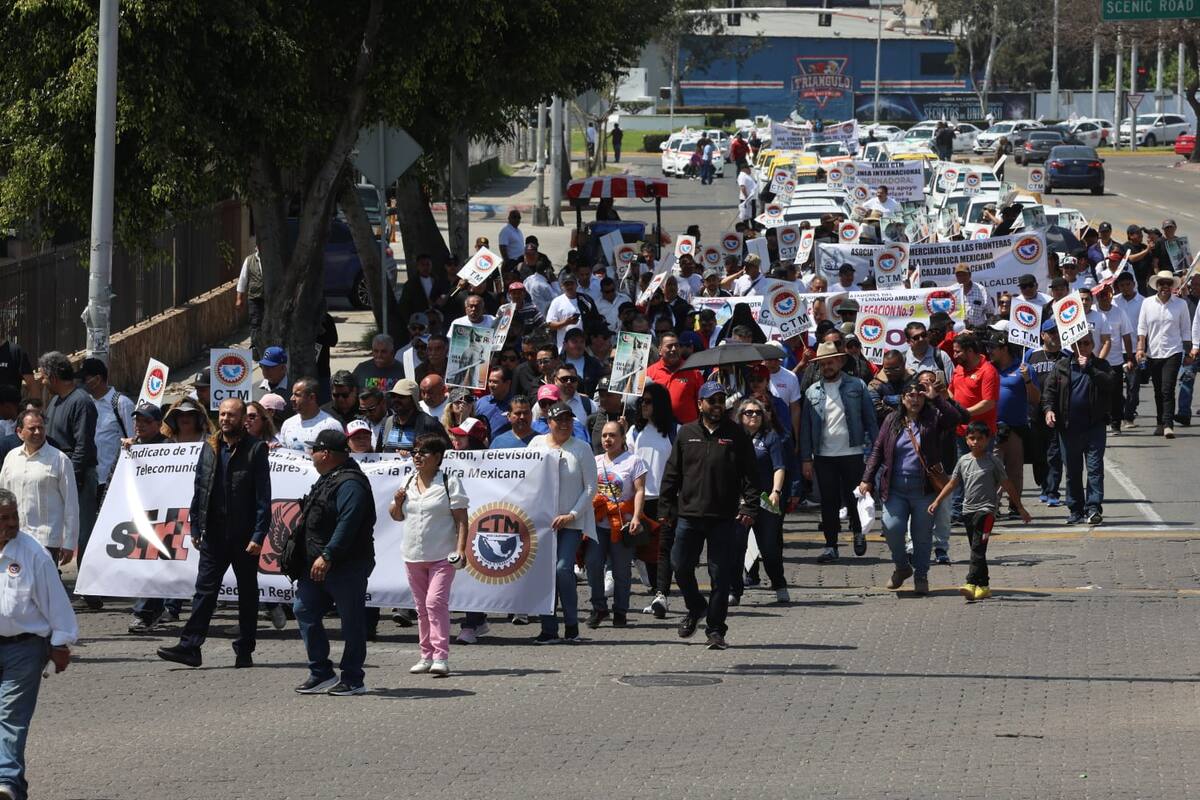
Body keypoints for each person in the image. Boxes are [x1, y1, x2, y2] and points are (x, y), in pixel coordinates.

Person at [156, 399, 271, 669]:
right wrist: (195, 525)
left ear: (243, 419)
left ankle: (244, 649)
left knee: (247, 593)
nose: (226, 419)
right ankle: (190, 647)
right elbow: (200, 488)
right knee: (204, 591)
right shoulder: (209, 447)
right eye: (223, 414)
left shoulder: (256, 450)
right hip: (214, 535)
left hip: (244, 537)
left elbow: (263, 497)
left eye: (232, 415)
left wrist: (258, 535)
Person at [659, 382, 758, 650]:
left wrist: (749, 507)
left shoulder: (736, 435)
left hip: (723, 517)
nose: (716, 405)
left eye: (720, 400)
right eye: (711, 400)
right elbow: (672, 473)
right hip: (688, 515)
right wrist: (666, 509)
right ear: (700, 404)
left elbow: (750, 475)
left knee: (720, 575)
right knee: (680, 566)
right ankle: (696, 607)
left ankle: (716, 630)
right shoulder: (686, 434)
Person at [0, 488, 78, 800]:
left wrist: (60, 645)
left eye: (12, 517)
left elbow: (56, 603)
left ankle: (8, 784)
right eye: (2, 518)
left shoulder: (33, 553)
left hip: (25, 648)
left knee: (11, 717)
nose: (9, 524)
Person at [291, 429, 377, 695]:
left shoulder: (350, 483)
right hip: (315, 565)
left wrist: (328, 555)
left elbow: (348, 524)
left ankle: (353, 678)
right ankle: (321, 673)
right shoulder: (328, 478)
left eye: (313, 450)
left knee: (351, 621)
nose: (311, 455)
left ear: (325, 453)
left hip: (345, 565)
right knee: (303, 609)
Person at [860, 380, 961, 595]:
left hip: (924, 489)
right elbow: (878, 449)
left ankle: (921, 575)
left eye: (919, 395)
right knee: (891, 527)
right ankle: (902, 566)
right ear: (902, 399)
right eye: (910, 395)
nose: (915, 399)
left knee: (922, 535)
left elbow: (956, 419)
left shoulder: (933, 419)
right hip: (895, 488)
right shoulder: (891, 419)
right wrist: (867, 478)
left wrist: (937, 398)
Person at [389, 433, 468, 677]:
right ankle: (425, 656)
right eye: (415, 452)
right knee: (421, 607)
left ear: (437, 457)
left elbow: (462, 519)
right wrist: (396, 502)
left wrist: (461, 549)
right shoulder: (408, 480)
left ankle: (441, 656)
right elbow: (397, 516)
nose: (417, 456)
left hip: (443, 555)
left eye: (423, 452)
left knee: (435, 603)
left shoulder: (449, 481)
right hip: (412, 555)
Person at [929, 421, 1031, 601]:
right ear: (966, 440)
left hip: (987, 511)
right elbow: (952, 484)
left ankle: (970, 583)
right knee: (978, 549)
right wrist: (937, 501)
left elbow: (1007, 484)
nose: (976, 442)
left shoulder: (993, 461)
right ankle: (984, 586)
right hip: (968, 511)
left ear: (987, 440)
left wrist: (1020, 508)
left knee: (977, 547)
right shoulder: (963, 461)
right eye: (972, 438)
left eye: (980, 439)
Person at [800, 342, 879, 564]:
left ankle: (858, 533)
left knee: (856, 498)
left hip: (853, 452)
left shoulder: (857, 386)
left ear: (840, 361)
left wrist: (877, 451)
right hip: (824, 455)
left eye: (831, 362)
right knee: (829, 502)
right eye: (823, 364)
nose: (827, 367)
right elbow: (805, 428)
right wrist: (806, 458)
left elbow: (870, 420)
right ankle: (831, 545)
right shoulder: (812, 391)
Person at [528, 402, 597, 644]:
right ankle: (548, 628)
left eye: (569, 419)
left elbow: (591, 487)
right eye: (560, 419)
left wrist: (573, 514)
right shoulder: (535, 445)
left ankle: (571, 625)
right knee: (545, 573)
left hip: (571, 523)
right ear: (549, 422)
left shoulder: (582, 448)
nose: (565, 424)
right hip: (542, 523)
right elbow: (525, 479)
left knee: (562, 569)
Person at [38, 351, 98, 604]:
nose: (40, 382)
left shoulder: (81, 401)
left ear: (52, 376)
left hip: (77, 476)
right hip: (56, 475)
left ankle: (89, 589)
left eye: (42, 376)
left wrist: (70, 479)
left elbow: (82, 446)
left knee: (82, 533)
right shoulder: (54, 403)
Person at [1042, 332, 1113, 525]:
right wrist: (1048, 410)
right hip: (1069, 428)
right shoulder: (1062, 366)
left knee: (1095, 469)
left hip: (1094, 427)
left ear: (1093, 345)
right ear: (1073, 346)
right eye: (1079, 343)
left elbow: (1110, 384)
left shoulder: (1101, 365)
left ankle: (1093, 508)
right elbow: (1049, 392)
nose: (1083, 347)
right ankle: (1075, 509)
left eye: (1087, 343)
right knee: (1072, 471)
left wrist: (1090, 368)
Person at [0, 409, 77, 567]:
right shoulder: (11, 457)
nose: (37, 432)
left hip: (46, 541)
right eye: (32, 428)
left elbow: (71, 504)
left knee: (44, 589)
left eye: (41, 428)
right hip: (13, 537)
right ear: (20, 432)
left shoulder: (60, 460)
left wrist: (69, 542)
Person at [588, 421, 647, 628]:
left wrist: (637, 517)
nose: (607, 440)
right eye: (604, 436)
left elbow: (640, 490)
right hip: (598, 524)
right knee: (593, 564)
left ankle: (621, 610)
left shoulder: (634, 461)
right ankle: (599, 607)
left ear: (622, 438)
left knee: (622, 570)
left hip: (622, 524)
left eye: (612, 435)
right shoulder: (594, 461)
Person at [629, 382, 678, 618]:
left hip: (666, 498)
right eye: (641, 402)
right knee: (646, 549)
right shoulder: (633, 432)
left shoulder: (673, 431)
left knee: (663, 549)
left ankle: (662, 595)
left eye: (648, 401)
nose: (644, 406)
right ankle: (656, 592)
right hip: (640, 499)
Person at [734, 397, 789, 604]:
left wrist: (776, 491)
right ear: (740, 416)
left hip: (766, 499)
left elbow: (779, 467)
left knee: (769, 547)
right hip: (741, 500)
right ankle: (734, 590)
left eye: (758, 412)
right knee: (736, 547)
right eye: (749, 412)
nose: (754, 416)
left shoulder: (770, 437)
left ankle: (779, 584)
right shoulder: (734, 437)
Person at [1136, 270, 1192, 439]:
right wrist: (1140, 348)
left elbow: (1186, 331)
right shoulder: (1147, 303)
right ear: (1157, 286)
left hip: (1173, 351)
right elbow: (1142, 328)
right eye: (1162, 283)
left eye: (1168, 283)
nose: (1165, 287)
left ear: (1172, 286)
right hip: (1153, 352)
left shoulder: (1180, 305)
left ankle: (1168, 424)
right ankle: (1160, 422)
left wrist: (1189, 352)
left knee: (1168, 388)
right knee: (1158, 390)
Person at [79, 357, 134, 506]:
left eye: (85, 379)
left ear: (97, 379)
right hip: (89, 480)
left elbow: (134, 440)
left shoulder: (122, 404)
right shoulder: (85, 403)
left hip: (114, 480)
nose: (83, 384)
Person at [990, 340, 1035, 517]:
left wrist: (1027, 380)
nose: (989, 351)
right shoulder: (988, 367)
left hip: (1016, 428)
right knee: (993, 469)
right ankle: (992, 506)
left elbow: (1035, 399)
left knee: (1015, 471)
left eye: (993, 347)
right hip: (993, 429)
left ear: (1004, 349)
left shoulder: (1024, 368)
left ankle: (1015, 506)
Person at [1093, 282, 1137, 435]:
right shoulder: (1092, 311)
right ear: (1097, 297)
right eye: (1101, 295)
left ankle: (1116, 423)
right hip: (1096, 360)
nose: (1104, 298)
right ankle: (1100, 421)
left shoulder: (1119, 312)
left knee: (1116, 394)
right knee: (1097, 393)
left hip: (1115, 360)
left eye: (1107, 295)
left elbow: (1126, 336)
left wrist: (1130, 357)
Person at [645, 332, 704, 424]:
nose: (674, 349)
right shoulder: (649, 373)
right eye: (669, 346)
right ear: (660, 350)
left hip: (687, 429)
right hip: (659, 427)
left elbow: (702, 402)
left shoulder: (693, 372)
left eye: (677, 345)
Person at [379, 379, 446, 455]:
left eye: (401, 396)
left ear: (413, 399)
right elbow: (377, 454)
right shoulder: (386, 423)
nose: (396, 400)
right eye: (393, 396)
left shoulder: (430, 425)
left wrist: (412, 455)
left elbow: (446, 455)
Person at [278, 378, 345, 451]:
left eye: (297, 395)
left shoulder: (331, 425)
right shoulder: (288, 424)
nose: (292, 399)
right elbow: (283, 452)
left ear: (311, 397)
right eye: (292, 394)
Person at [235, 238, 266, 358]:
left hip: (270, 298)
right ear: (257, 246)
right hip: (255, 298)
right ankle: (256, 350)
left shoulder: (272, 260)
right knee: (255, 324)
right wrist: (239, 298)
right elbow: (242, 280)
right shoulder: (249, 260)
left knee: (270, 323)